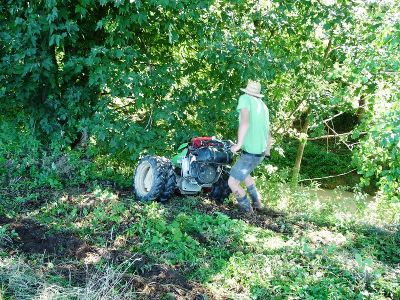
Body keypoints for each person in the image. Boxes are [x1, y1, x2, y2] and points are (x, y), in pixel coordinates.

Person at [228, 80, 271, 213]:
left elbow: (245, 122)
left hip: (251, 152)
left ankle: (247, 212)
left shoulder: (244, 99)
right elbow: (268, 131)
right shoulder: (263, 106)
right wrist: (267, 150)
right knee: (245, 175)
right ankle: (257, 204)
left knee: (232, 182)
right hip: (261, 151)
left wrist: (238, 145)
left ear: (247, 91)